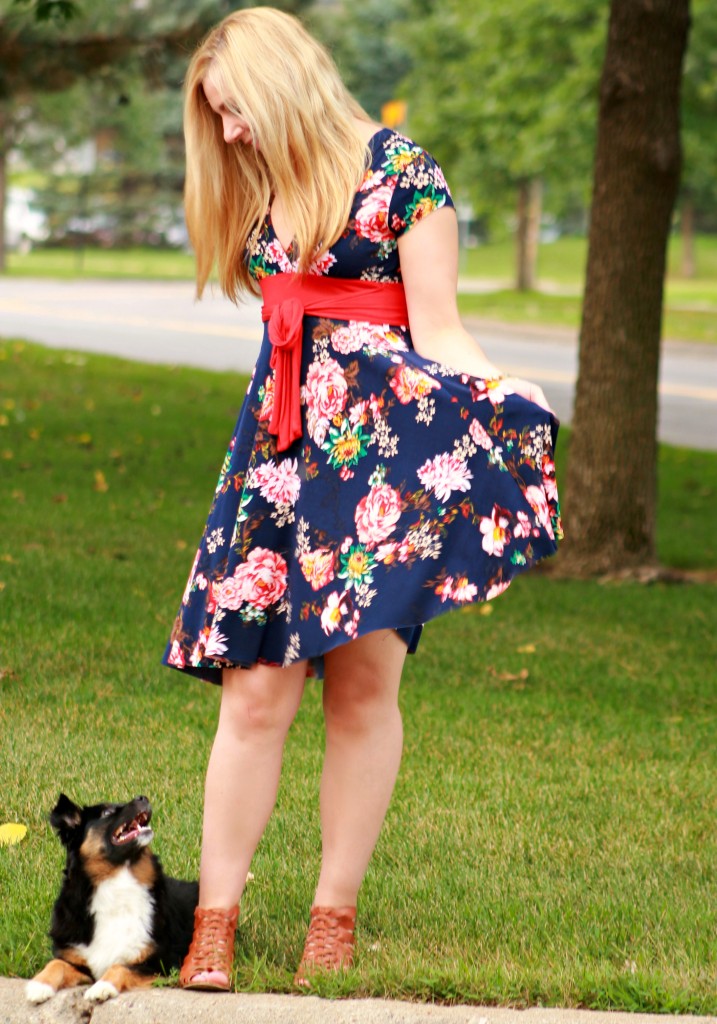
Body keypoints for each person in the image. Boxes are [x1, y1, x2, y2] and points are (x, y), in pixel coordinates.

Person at [163, 5, 562, 993]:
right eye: (216, 118)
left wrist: (508, 397)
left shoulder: (403, 175)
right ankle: (215, 921)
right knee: (255, 695)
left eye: (235, 110)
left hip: (382, 462)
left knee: (362, 690)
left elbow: (441, 334)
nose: (230, 132)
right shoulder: (255, 182)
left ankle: (331, 920)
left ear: (280, 81)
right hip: (281, 455)